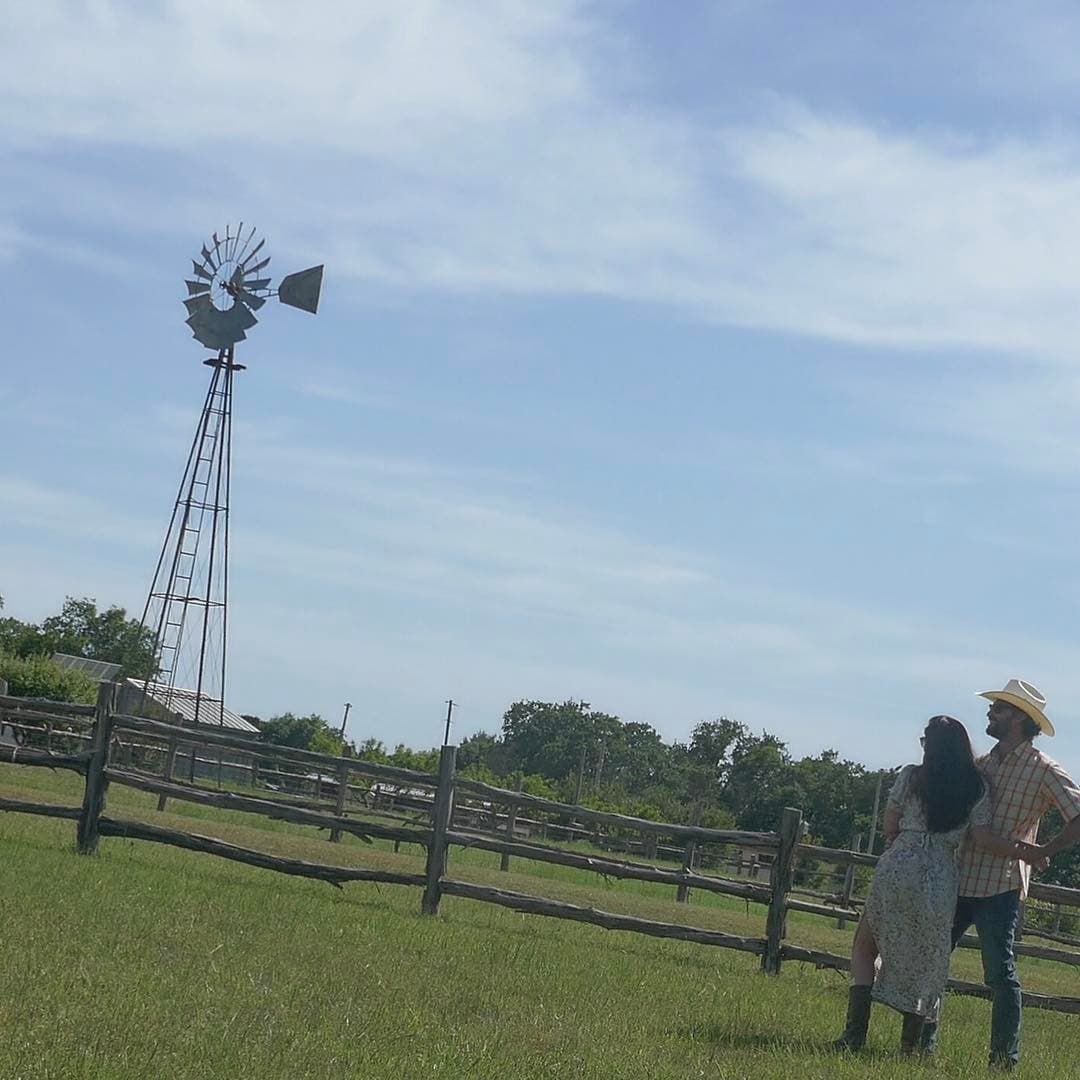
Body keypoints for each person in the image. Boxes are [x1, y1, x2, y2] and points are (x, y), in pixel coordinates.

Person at [833, 714, 1039, 1056]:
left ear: (931, 747)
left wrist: (897, 841)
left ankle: (854, 1035)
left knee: (865, 947)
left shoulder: (912, 776)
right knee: (929, 961)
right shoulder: (977, 786)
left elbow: (891, 820)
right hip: (941, 874)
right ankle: (911, 1047)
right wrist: (1024, 852)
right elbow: (982, 837)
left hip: (900, 863)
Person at [919, 679, 1080, 1070]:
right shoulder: (983, 764)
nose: (990, 713)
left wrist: (1044, 851)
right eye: (994, 707)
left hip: (1001, 884)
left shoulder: (1044, 769)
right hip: (959, 877)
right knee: (932, 962)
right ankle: (920, 1047)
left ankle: (1003, 1059)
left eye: (1000, 709)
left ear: (1022, 718)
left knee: (1000, 974)